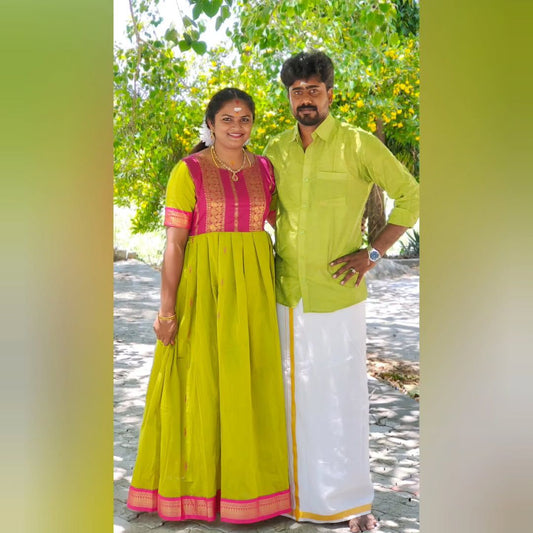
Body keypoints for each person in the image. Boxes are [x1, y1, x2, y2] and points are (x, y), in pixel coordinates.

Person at [264, 52, 420, 532]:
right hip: (285, 292)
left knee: (341, 397)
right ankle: (292, 496)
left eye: (313, 90)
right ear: (289, 98)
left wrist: (373, 253)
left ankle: (352, 503)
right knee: (289, 396)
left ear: (330, 94)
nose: (305, 99)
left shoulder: (358, 144)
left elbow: (412, 196)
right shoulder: (275, 148)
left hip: (338, 294)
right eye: (297, 92)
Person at [127, 88, 290, 523]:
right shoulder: (190, 170)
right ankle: (194, 492)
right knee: (199, 383)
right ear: (211, 124)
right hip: (203, 292)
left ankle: (248, 492)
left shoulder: (266, 169)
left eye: (245, 119)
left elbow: (285, 225)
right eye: (227, 119)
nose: (237, 127)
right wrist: (166, 311)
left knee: (248, 385)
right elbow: (175, 245)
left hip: (253, 295)